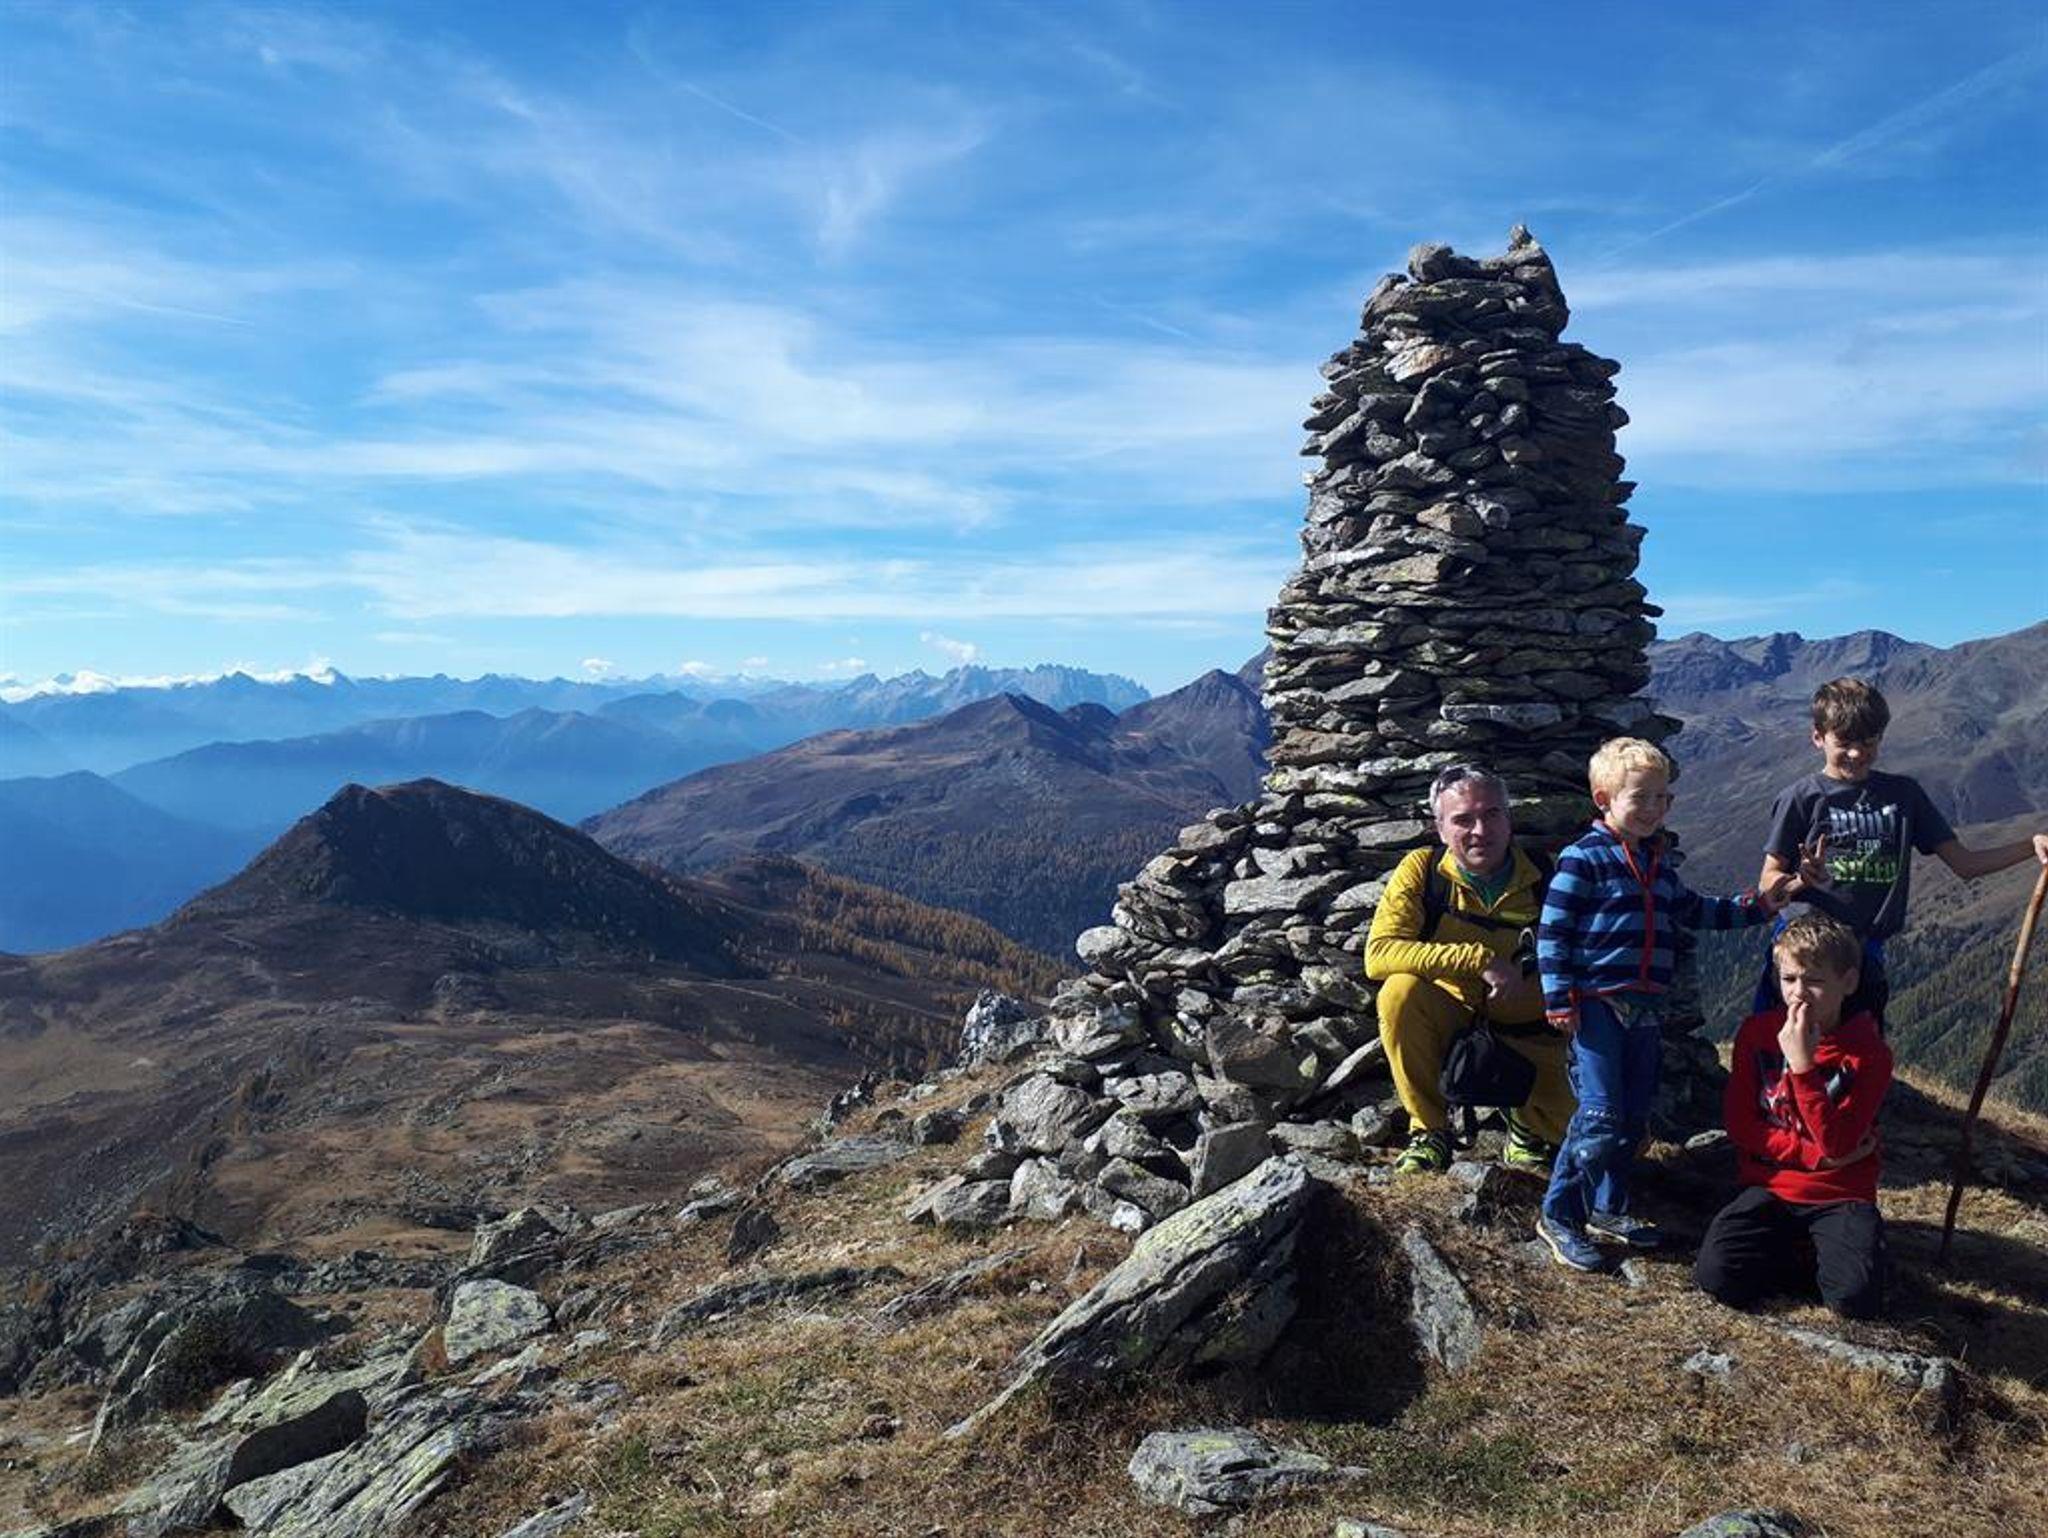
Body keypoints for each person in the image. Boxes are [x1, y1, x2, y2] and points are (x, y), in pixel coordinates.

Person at [1534, 737, 1782, 1271]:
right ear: (1604, 799)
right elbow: (1553, 933)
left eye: (1662, 798)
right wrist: (1559, 999)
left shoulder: (1657, 865)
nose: (1653, 809)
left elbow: (1696, 910)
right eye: (1640, 797)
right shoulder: (1583, 859)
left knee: (1632, 1115)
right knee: (1600, 1114)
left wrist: (1761, 907)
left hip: (1645, 1009)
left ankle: (1609, 1207)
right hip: (1598, 1005)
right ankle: (1560, 1215)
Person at [1755, 676, 2048, 1024]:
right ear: (1818, 737)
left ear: (1880, 737)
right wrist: (1798, 881)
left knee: (1859, 1049)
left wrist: (2031, 845)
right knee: (1784, 1041)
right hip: (1803, 953)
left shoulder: (1904, 795)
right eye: (1844, 742)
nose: (1857, 753)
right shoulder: (1800, 798)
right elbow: (1767, 883)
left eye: (1868, 742)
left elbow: (1965, 863)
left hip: (1862, 953)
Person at [1366, 764, 1572, 1175]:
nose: (1481, 830)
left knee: (1625, 1144)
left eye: (1492, 814)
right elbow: (1380, 954)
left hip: (1534, 1037)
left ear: (1508, 819)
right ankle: (1430, 1131)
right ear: (1440, 828)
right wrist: (1479, 960)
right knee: (1399, 993)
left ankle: (1525, 1125)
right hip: (1454, 1028)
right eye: (1463, 820)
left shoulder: (1546, 876)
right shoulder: (1423, 871)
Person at [1695, 914, 1892, 1319]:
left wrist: (1802, 1066)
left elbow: (1838, 1141)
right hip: (1772, 1185)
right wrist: (1814, 1158)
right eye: (1788, 979)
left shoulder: (1869, 1055)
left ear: (1848, 982)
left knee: (1853, 1301)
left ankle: (1826, 1249)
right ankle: (1803, 1250)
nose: (1799, 993)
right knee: (1716, 1278)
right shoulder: (1756, 1034)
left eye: (1814, 981)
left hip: (1840, 1193)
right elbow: (1742, 1126)